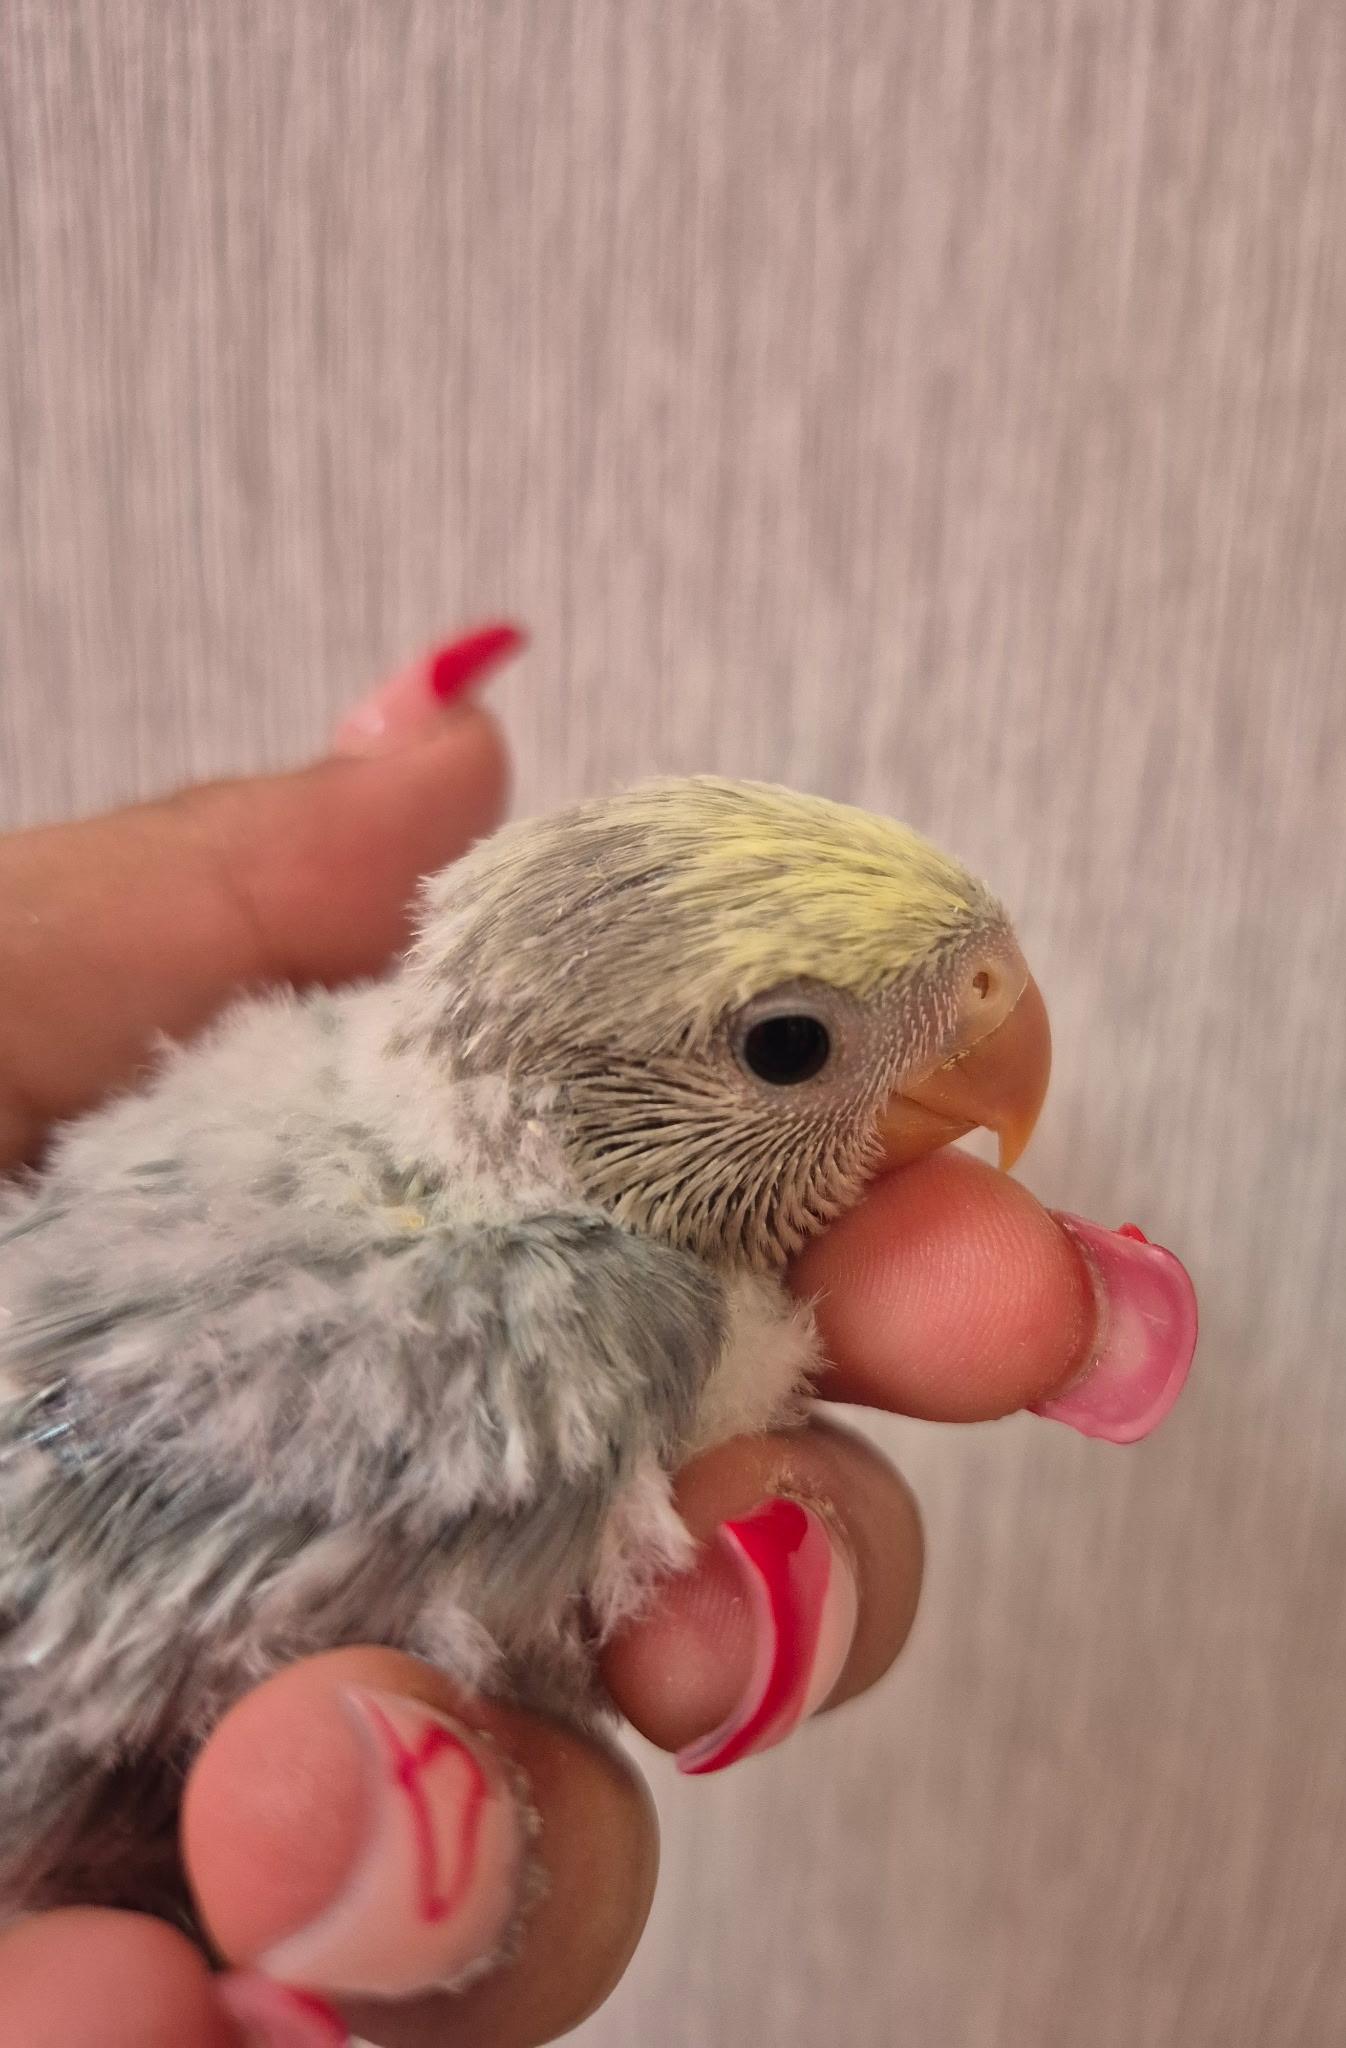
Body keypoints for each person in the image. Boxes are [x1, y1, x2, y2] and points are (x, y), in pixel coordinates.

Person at [0, 631, 1172, 2048]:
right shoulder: (598, 1308)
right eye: (790, 1050)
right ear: (575, 1104)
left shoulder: (301, 1047)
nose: (991, 1041)